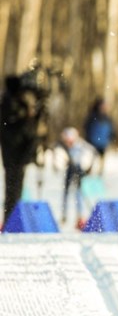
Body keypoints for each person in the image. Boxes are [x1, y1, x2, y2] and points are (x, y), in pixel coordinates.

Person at [1, 74, 43, 227]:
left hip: (18, 152)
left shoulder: (14, 103)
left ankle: (12, 218)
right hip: (14, 153)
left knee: (15, 189)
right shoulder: (10, 104)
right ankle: (10, 220)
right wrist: (28, 115)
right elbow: (17, 127)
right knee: (13, 189)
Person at [52, 127, 97, 228]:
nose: (68, 143)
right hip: (69, 170)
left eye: (69, 141)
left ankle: (80, 217)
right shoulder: (63, 146)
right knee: (66, 193)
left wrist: (88, 168)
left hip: (78, 170)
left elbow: (92, 153)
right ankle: (64, 216)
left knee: (78, 193)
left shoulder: (81, 145)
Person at [83, 97, 115, 175]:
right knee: (89, 163)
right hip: (92, 143)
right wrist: (88, 139)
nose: (104, 107)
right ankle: (86, 178)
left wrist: (111, 139)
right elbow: (86, 128)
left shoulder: (107, 118)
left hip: (103, 144)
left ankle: (98, 179)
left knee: (101, 165)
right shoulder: (92, 116)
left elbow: (111, 130)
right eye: (103, 105)